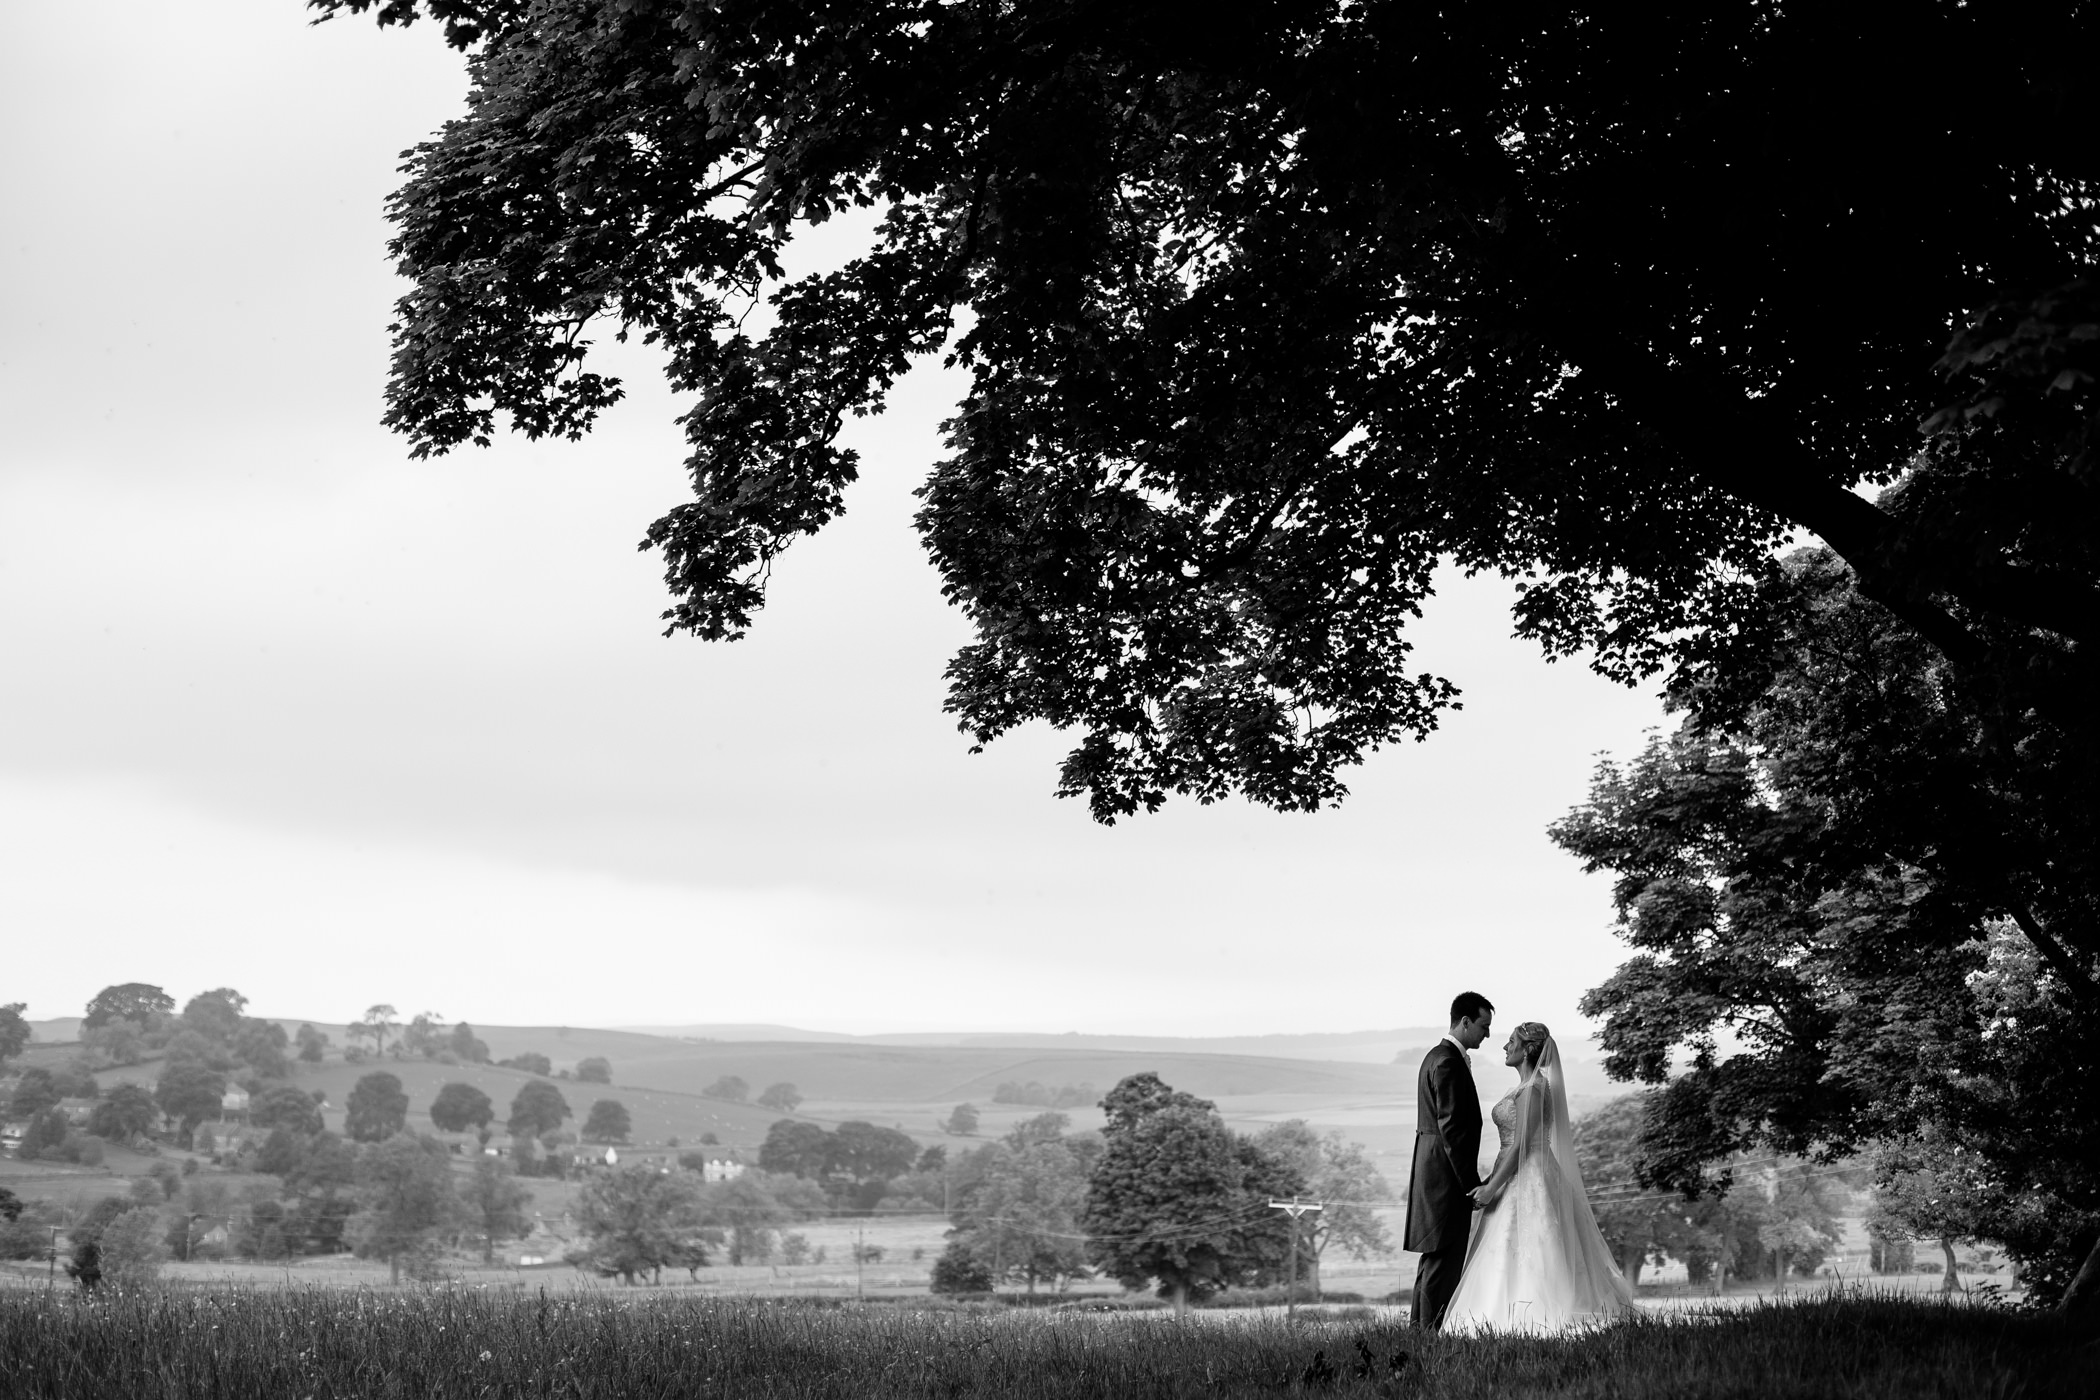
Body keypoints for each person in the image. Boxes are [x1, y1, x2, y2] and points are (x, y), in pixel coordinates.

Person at [1443, 1021, 1637, 1333]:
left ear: (1526, 1051)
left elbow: (1521, 1144)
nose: (1505, 1047)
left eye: (1511, 1042)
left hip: (1528, 1173)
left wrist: (1492, 1188)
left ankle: (1528, 1313)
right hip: (1516, 1170)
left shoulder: (1532, 1089)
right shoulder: (1525, 1087)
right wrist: (1492, 1179)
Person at [1405, 991, 1491, 1329]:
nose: (1487, 1034)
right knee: (1444, 1258)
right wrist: (1471, 1184)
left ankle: (1419, 1332)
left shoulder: (1436, 1056)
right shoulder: (1448, 1062)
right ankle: (1429, 1334)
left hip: (1434, 1169)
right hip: (1445, 1175)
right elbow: (1452, 1128)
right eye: (1483, 1026)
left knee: (1434, 1259)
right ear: (1465, 1022)